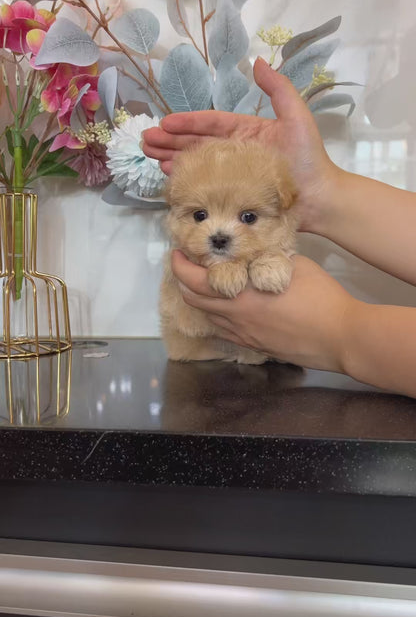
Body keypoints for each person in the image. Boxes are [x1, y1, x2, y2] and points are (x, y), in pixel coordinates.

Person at [143, 57, 416, 398]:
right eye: (200, 215)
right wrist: (323, 188)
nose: (218, 232)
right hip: (199, 370)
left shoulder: (281, 201)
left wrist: (337, 330)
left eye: (247, 217)